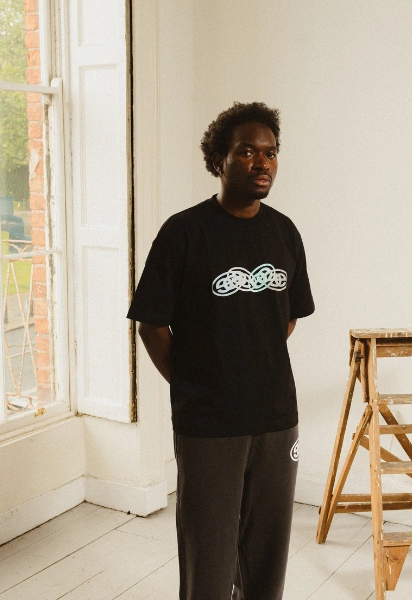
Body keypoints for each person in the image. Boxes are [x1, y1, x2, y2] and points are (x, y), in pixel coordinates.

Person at [127, 101, 315, 600]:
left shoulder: (284, 232)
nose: (262, 162)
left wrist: (250, 360)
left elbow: (287, 317)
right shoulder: (184, 233)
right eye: (247, 152)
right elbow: (150, 324)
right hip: (209, 423)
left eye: (270, 153)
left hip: (277, 417)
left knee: (267, 558)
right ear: (219, 160)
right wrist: (197, 381)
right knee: (208, 561)